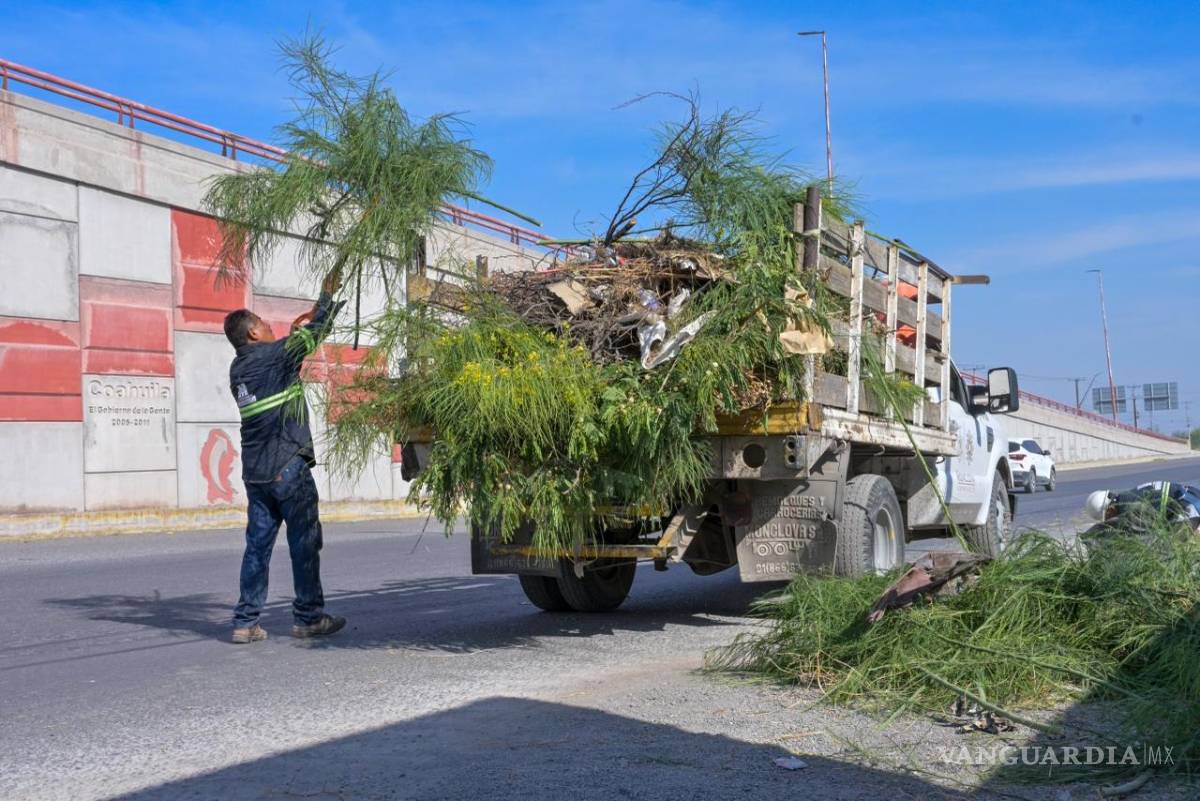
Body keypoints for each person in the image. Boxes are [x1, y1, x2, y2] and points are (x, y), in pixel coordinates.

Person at [223, 271, 346, 644]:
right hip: (287, 466)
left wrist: (295, 333)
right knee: (304, 541)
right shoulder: (273, 357)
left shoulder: (240, 368)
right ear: (252, 334)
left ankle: (245, 621)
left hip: (256, 475)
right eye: (262, 324)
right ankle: (308, 617)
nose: (269, 327)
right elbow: (316, 333)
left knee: (257, 546)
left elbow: (289, 353)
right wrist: (326, 298)